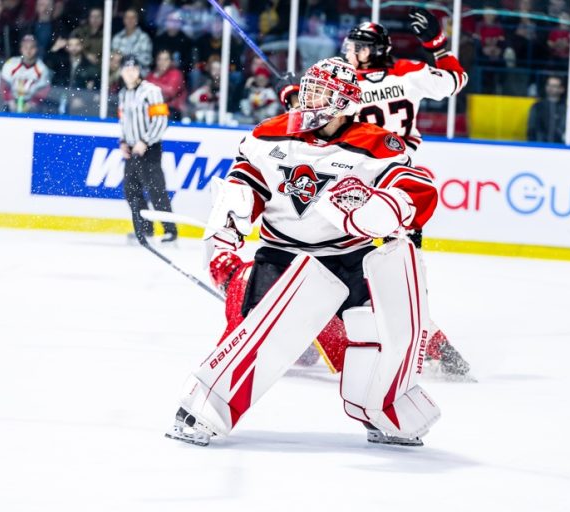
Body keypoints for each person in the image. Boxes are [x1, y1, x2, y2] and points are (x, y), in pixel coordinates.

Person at [167, 57, 441, 447]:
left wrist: (386, 209)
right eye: (308, 91)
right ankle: (204, 409)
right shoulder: (268, 134)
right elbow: (243, 186)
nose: (308, 102)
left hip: (349, 258)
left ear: (344, 102)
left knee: (379, 335)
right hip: (281, 256)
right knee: (253, 337)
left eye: (320, 94)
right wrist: (227, 229)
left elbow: (416, 186)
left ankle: (386, 411)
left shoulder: (377, 143)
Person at [274, 9, 470, 378]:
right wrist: (438, 45)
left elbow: (313, 118)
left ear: (374, 50)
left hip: (362, 183)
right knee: (388, 269)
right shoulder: (409, 72)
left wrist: (291, 94)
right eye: (351, 45)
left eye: (358, 47)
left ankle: (342, 334)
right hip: (395, 184)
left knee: (342, 262)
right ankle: (425, 341)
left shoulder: (345, 84)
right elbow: (455, 80)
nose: (351, 52)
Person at [117, 55, 177, 243]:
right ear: (121, 72)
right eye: (126, 69)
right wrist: (123, 142)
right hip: (132, 149)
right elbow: (124, 121)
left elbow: (161, 120)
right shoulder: (123, 94)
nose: (130, 73)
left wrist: (145, 141)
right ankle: (145, 228)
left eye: (133, 69)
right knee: (131, 189)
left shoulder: (151, 91)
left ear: (139, 71)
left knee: (156, 189)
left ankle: (170, 230)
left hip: (149, 149)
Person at [0, 34, 50, 113]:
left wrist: (32, 103)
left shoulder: (42, 68)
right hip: (11, 103)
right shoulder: (11, 64)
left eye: (32, 47)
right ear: (21, 49)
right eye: (25, 47)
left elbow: (44, 90)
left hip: (33, 106)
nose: (28, 51)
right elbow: (4, 85)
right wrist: (10, 100)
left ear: (36, 49)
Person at [146, 48, 187, 121]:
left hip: (172, 111)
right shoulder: (150, 75)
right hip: (152, 109)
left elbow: (170, 92)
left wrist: (153, 84)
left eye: (166, 59)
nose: (162, 62)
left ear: (171, 62)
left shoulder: (176, 74)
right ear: (156, 61)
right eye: (160, 59)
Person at [527, 75, 566, 143]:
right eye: (548, 85)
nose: (550, 88)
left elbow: (563, 130)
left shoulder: (565, 109)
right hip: (539, 146)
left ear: (561, 89)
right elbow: (532, 129)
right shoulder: (537, 106)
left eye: (554, 86)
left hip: (559, 147)